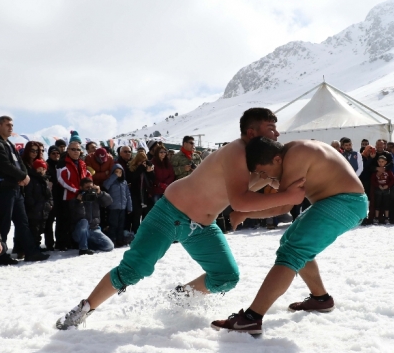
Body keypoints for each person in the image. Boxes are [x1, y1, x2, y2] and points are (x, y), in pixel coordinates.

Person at [55, 108, 305, 330]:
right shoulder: (236, 152)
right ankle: (83, 309)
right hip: (169, 214)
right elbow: (239, 201)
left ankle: (179, 296)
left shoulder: (252, 159)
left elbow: (245, 189)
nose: (277, 134)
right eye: (271, 128)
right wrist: (288, 193)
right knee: (133, 270)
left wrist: (275, 182)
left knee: (226, 277)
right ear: (251, 132)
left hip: (201, 227)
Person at [211, 137, 367, 334]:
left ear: (277, 159)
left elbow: (284, 206)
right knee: (290, 243)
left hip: (345, 203)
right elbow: (274, 188)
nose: (263, 176)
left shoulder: (296, 154)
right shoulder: (292, 152)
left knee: (292, 252)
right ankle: (321, 299)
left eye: (263, 171)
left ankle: (251, 318)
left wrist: (245, 212)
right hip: (340, 201)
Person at [0, 116, 49, 264]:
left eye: (12, 125)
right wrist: (22, 176)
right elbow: (5, 165)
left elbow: (19, 163)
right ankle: (1, 255)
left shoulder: (8, 144)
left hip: (15, 189)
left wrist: (25, 175)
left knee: (22, 222)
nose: (11, 127)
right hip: (3, 189)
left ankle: (31, 252)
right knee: (4, 224)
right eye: (7, 125)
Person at [69, 178, 114, 255]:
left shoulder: (96, 197)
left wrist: (100, 193)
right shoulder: (75, 200)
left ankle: (88, 245)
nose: (89, 189)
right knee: (84, 221)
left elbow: (109, 202)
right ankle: (83, 248)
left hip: (94, 229)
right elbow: (79, 217)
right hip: (80, 231)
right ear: (81, 187)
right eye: (87, 188)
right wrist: (80, 203)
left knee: (109, 246)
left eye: (91, 187)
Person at [24, 159, 53, 249]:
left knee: (40, 230)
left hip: (44, 211)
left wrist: (50, 205)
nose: (42, 170)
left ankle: (37, 247)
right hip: (34, 211)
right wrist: (33, 205)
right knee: (34, 231)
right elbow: (28, 195)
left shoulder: (45, 180)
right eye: (39, 168)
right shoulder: (31, 179)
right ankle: (33, 249)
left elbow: (49, 195)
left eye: (43, 168)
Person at [104, 164, 132, 246]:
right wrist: (114, 177)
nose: (118, 173)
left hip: (122, 207)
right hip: (113, 207)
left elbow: (128, 195)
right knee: (113, 224)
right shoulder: (110, 181)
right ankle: (112, 240)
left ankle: (120, 240)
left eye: (120, 172)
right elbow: (106, 186)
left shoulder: (124, 182)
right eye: (116, 172)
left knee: (121, 225)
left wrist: (129, 207)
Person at [126, 151, 155, 231]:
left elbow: (152, 180)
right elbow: (132, 179)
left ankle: (144, 234)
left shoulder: (147, 168)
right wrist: (140, 168)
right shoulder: (132, 167)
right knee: (136, 217)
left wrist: (150, 172)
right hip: (135, 195)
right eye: (141, 161)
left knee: (146, 217)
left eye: (144, 161)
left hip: (146, 195)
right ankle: (135, 234)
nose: (143, 163)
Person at [370, 155, 394, 224]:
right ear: (377, 162)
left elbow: (393, 179)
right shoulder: (375, 172)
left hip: (386, 189)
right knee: (377, 204)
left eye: (382, 162)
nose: (381, 163)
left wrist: (388, 185)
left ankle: (387, 218)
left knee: (386, 204)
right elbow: (373, 180)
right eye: (379, 162)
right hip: (378, 189)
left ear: (386, 162)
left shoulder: (388, 171)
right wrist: (378, 185)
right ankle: (376, 218)